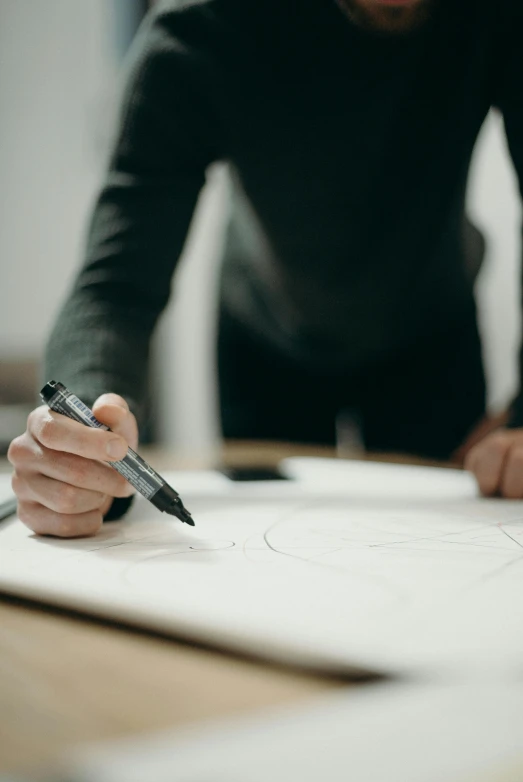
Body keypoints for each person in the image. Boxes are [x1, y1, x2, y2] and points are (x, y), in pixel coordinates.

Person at [8, 0, 523, 538]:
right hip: (263, 346)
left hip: (434, 342)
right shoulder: (203, 25)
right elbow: (115, 285)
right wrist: (85, 435)